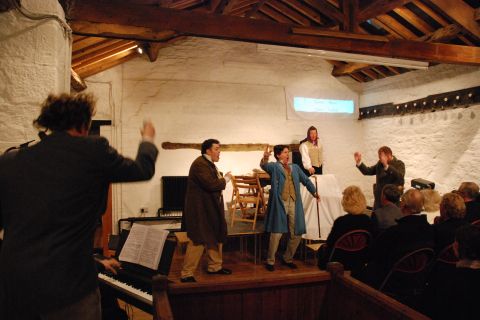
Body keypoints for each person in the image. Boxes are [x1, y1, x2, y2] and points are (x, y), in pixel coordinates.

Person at [0, 93, 158, 320]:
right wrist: (147, 140)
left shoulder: (10, 162)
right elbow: (143, 169)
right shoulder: (93, 151)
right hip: (68, 292)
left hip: (14, 292)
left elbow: (47, 233)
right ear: (84, 124)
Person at [180, 139, 233, 283]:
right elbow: (210, 184)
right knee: (198, 239)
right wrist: (226, 179)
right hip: (200, 209)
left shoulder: (208, 164)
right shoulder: (200, 164)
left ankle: (215, 267)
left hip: (209, 207)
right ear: (208, 151)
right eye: (216, 149)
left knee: (215, 236)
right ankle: (186, 273)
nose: (219, 151)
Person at [360, 189, 434, 290]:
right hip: (415, 282)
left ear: (403, 205)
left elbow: (372, 254)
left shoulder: (394, 232)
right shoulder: (430, 230)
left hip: (389, 282)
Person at [261, 145, 319, 271]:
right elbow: (264, 166)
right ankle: (270, 261)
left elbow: (306, 181)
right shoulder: (275, 167)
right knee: (276, 233)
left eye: (288, 152)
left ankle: (288, 258)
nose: (288, 155)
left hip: (294, 202)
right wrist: (265, 157)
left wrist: (314, 192)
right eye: (285, 152)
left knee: (297, 232)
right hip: (280, 203)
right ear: (278, 155)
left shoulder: (295, 167)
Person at [317, 186, 373, 275]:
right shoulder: (368, 221)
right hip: (359, 259)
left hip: (339, 261)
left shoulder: (341, 222)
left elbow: (330, 243)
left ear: (345, 201)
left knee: (321, 249)